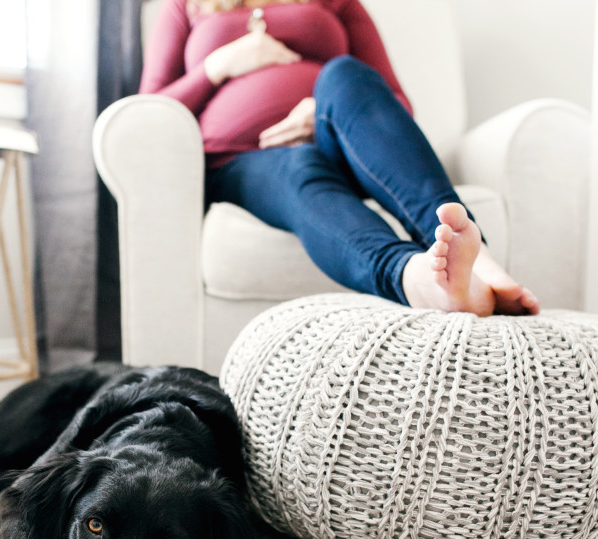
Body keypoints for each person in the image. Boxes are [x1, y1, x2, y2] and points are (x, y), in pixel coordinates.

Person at [139, 0, 539, 316]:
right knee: (298, 167)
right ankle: (416, 278)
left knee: (346, 72)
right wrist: (217, 66)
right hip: (239, 159)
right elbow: (147, 114)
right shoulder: (186, 5)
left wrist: (320, 111)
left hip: (336, 142)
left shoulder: (337, 2)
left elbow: (394, 102)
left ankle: (476, 256)